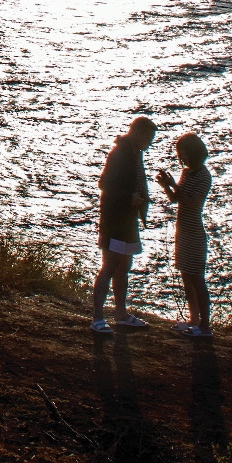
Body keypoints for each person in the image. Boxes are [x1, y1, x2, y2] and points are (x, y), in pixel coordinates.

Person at [90, 116, 155, 332]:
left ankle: (120, 313)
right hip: (115, 221)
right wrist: (129, 198)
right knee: (109, 266)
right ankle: (98, 318)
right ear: (137, 133)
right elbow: (104, 185)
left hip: (128, 222)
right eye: (149, 138)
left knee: (124, 267)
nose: (150, 143)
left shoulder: (135, 154)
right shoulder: (119, 154)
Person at [155, 132, 213, 337]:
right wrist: (166, 187)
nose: (183, 159)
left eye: (185, 154)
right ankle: (194, 319)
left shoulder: (204, 176)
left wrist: (174, 186)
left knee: (197, 279)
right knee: (186, 278)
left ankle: (205, 325)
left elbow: (194, 204)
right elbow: (176, 199)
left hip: (194, 233)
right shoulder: (187, 173)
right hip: (183, 231)